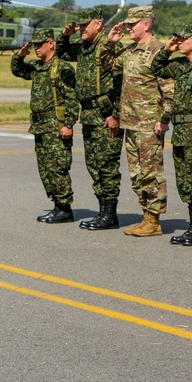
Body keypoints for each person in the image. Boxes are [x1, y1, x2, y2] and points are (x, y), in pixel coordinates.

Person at [106, 6, 173, 237]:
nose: (127, 28)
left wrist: (164, 119)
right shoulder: (130, 51)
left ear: (146, 24)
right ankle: (146, 216)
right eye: (127, 24)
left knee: (151, 172)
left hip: (148, 125)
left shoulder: (158, 51)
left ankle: (154, 220)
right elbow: (107, 67)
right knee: (136, 173)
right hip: (130, 123)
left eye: (132, 24)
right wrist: (110, 43)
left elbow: (169, 89)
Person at [57, 16, 124, 230]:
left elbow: (121, 80)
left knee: (107, 166)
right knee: (94, 165)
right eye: (79, 26)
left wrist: (115, 114)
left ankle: (109, 213)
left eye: (85, 25)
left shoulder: (110, 45)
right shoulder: (85, 48)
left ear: (98, 23)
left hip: (106, 115)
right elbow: (62, 53)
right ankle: (103, 210)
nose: (81, 29)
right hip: (89, 115)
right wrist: (65, 36)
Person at [151, 25, 192, 245]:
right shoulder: (180, 66)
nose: (179, 42)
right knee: (185, 182)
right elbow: (156, 68)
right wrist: (167, 48)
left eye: (183, 39)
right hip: (181, 133)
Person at [12, 28, 79, 223]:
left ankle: (65, 208)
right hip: (41, 126)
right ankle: (57, 204)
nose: (35, 49)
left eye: (39, 45)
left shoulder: (62, 68)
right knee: (45, 169)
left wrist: (68, 124)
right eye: (33, 45)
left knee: (58, 168)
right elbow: (17, 70)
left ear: (51, 43)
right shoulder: (37, 67)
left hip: (55, 126)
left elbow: (72, 98)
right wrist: (20, 55)